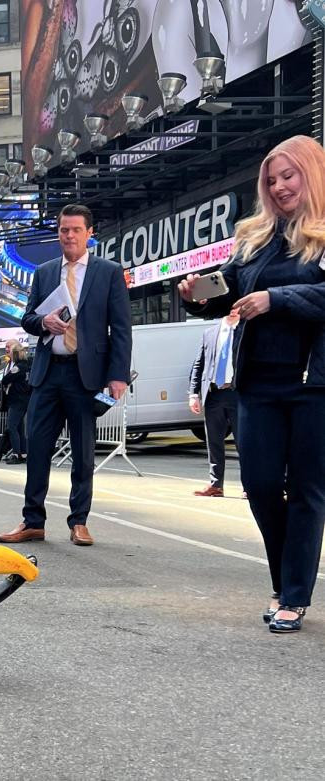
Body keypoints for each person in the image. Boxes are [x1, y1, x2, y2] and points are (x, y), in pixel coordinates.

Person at [178, 135, 325, 633]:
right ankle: (287, 581)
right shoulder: (254, 237)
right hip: (258, 383)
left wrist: (276, 299)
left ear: (311, 174)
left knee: (306, 491)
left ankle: (293, 593)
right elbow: (229, 291)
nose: (280, 186)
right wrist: (197, 296)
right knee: (261, 486)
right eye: (272, 179)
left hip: (314, 384)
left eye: (289, 175)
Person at [0, 203, 132, 547]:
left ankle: (79, 521)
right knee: (37, 448)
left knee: (84, 453)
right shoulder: (43, 273)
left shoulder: (108, 272)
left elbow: (121, 327)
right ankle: (33, 521)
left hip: (85, 376)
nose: (68, 236)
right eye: (62, 230)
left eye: (75, 230)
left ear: (89, 234)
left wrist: (118, 376)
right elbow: (27, 319)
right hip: (47, 373)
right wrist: (44, 322)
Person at [188, 314, 240, 498]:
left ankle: (249, 486)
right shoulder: (209, 333)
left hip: (238, 394)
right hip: (213, 394)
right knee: (214, 442)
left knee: (245, 443)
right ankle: (216, 485)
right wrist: (193, 394)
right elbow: (198, 364)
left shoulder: (245, 330)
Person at [0, 340, 32, 464]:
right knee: (19, 428)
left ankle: (16, 454)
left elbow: (5, 379)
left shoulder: (18, 367)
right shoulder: (28, 366)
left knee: (12, 427)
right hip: (25, 400)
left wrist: (7, 383)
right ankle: (23, 453)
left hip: (16, 400)